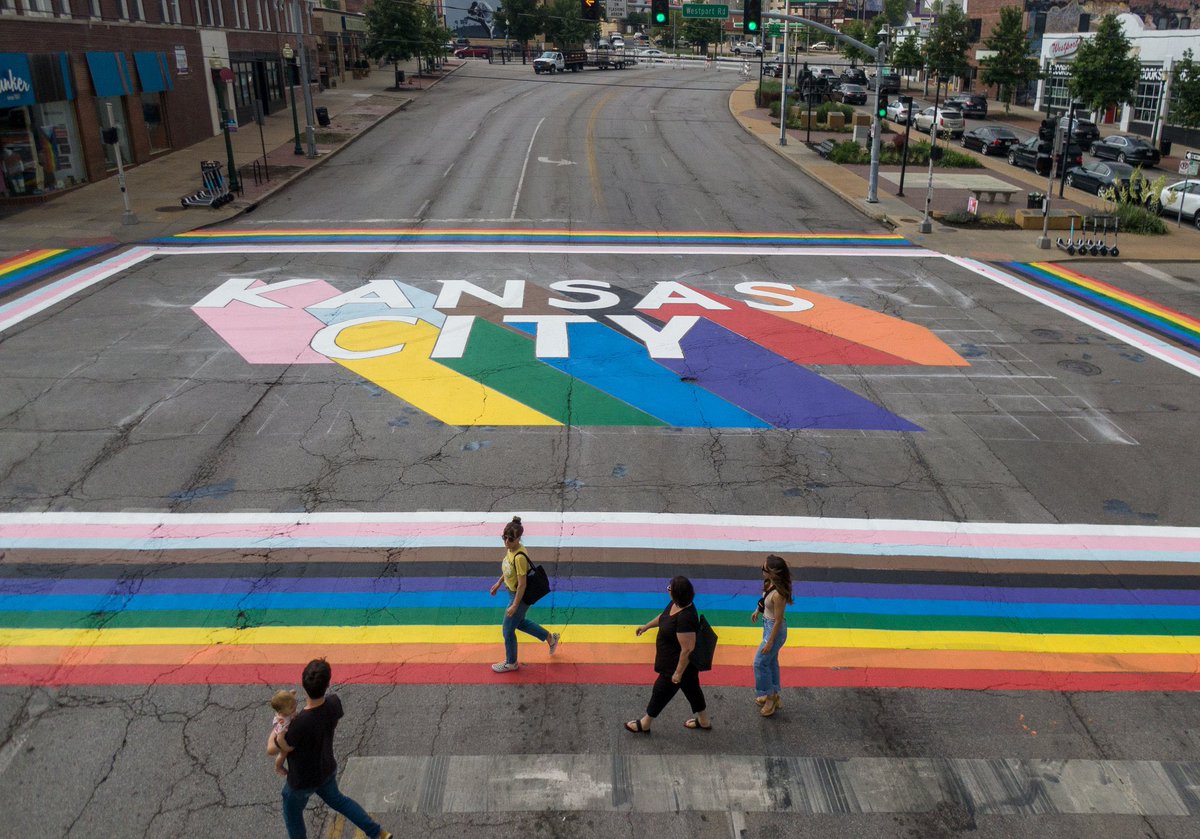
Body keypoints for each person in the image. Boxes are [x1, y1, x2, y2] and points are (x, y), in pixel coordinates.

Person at [273, 659, 392, 839]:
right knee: (340, 802)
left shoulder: (298, 724)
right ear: (328, 684)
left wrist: (280, 719)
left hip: (301, 780)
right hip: (326, 769)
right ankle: (377, 833)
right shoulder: (333, 703)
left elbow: (273, 747)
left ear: (303, 686)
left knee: (293, 816)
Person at [625, 575, 712, 733]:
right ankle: (704, 720)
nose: (668, 590)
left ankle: (645, 723)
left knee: (660, 691)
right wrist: (646, 626)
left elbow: (687, 649)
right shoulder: (676, 604)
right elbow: (664, 617)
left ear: (677, 593)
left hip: (676, 665)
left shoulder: (686, 617)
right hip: (679, 665)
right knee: (693, 690)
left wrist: (678, 673)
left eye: (670, 588)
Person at [488, 515, 558, 672]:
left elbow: (522, 585)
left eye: (511, 539)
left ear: (518, 538)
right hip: (512, 592)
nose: (507, 542)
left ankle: (511, 662)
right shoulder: (511, 550)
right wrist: (499, 583)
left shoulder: (519, 556)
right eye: (504, 538)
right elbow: (508, 569)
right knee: (519, 623)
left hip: (519, 596)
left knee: (507, 629)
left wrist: (514, 605)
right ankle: (550, 638)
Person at [751, 554, 793, 717]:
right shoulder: (769, 584)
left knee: (759, 663)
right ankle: (774, 693)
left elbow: (778, 621)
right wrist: (758, 610)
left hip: (775, 631)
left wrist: (770, 641)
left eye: (765, 569)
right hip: (767, 626)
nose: (762, 571)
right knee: (771, 661)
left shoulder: (779, 595)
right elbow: (764, 602)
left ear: (773, 573)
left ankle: (769, 697)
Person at [266, 688, 298, 776]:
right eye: (291, 707)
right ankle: (278, 766)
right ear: (281, 711)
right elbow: (280, 739)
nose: (295, 706)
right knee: (283, 755)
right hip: (280, 736)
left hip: (281, 729)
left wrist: (291, 694)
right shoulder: (284, 722)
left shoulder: (288, 704)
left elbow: (290, 696)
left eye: (294, 702)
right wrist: (286, 747)